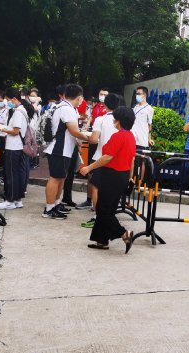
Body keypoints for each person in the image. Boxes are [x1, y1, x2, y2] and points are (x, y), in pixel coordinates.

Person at [79, 106, 136, 253]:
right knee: (107, 208)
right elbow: (132, 160)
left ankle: (124, 233)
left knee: (103, 210)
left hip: (112, 175)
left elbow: (107, 157)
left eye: (115, 118)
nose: (113, 120)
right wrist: (130, 177)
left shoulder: (118, 136)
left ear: (119, 120)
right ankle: (102, 240)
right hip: (122, 176)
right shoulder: (131, 136)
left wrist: (89, 168)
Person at [43, 84, 90, 219]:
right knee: (55, 178)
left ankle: (56, 204)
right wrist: (89, 138)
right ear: (79, 97)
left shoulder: (64, 107)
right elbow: (73, 131)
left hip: (63, 149)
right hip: (59, 149)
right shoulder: (67, 109)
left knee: (61, 178)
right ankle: (49, 209)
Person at [80, 93, 121, 227]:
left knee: (96, 187)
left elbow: (93, 139)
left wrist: (84, 136)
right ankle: (109, 215)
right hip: (116, 160)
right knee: (111, 188)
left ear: (104, 104)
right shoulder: (122, 120)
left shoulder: (100, 119)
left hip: (100, 158)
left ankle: (98, 216)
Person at [0, 88, 36, 209]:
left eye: (8, 100)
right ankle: (17, 199)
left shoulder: (18, 112)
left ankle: (10, 200)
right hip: (18, 147)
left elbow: (15, 131)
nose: (7, 102)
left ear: (14, 99)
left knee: (11, 174)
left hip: (14, 147)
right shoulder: (22, 110)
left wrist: (1, 128)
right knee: (17, 174)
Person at [132, 86, 154, 151]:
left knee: (141, 157)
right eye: (136, 94)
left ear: (144, 95)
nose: (137, 95)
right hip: (133, 139)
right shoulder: (135, 107)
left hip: (142, 141)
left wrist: (149, 139)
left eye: (139, 94)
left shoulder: (149, 109)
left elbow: (150, 125)